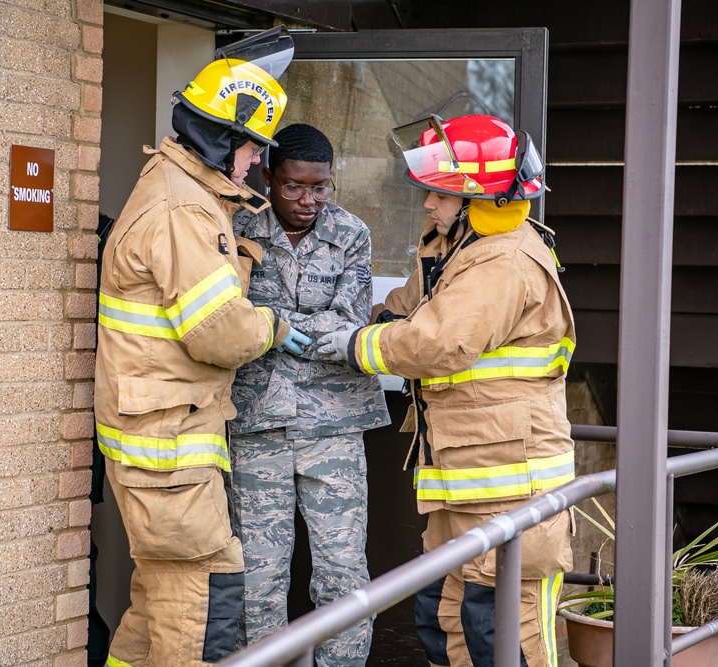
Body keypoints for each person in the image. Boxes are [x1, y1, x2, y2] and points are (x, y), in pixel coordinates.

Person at [318, 113, 576, 667]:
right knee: (445, 624)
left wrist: (350, 346)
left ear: (478, 199)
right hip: (465, 480)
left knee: (505, 635)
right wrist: (356, 320)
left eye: (440, 194)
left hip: (512, 488)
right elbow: (408, 309)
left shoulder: (503, 261)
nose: (428, 205)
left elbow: (436, 343)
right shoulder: (461, 246)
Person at [93, 27, 313, 667]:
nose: (256, 165)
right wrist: (270, 326)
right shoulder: (185, 208)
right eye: (253, 149)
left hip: (160, 441)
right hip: (169, 449)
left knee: (161, 600)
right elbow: (218, 331)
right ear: (227, 139)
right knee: (205, 599)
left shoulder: (176, 190)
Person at [228, 123, 391, 666]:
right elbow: (226, 317)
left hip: (335, 424)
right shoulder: (238, 227)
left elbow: (342, 324)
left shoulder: (351, 233)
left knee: (343, 573)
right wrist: (265, 324)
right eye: (295, 186)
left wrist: (268, 324)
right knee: (257, 576)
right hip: (257, 422)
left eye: (321, 188)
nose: (308, 200)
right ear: (271, 177)